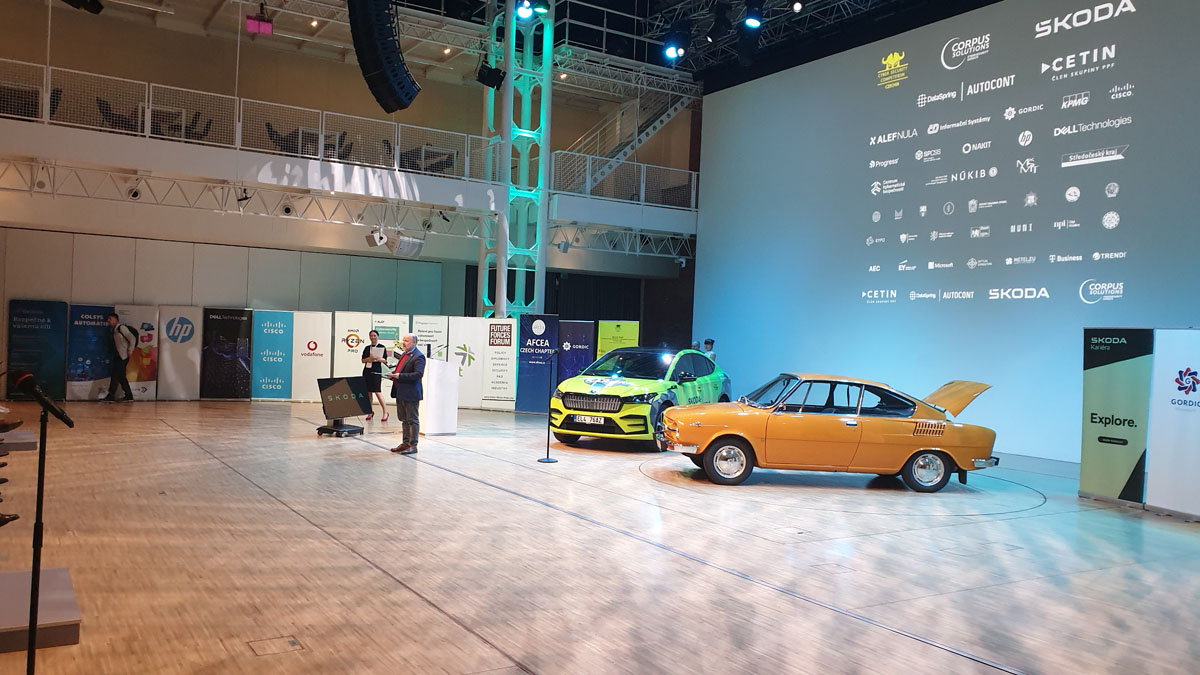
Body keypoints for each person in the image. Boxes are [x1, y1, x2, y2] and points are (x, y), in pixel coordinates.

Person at [385, 333, 425, 455]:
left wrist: (400, 376)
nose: (404, 343)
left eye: (407, 341)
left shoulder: (418, 356)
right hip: (401, 392)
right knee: (404, 419)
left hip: (411, 393)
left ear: (414, 342)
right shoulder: (404, 354)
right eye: (403, 340)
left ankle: (413, 445)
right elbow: (400, 370)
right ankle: (405, 443)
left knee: (412, 420)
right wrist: (393, 374)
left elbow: (418, 374)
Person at [104, 312, 135, 402]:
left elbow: (132, 338)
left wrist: (130, 350)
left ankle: (111, 396)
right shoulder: (114, 330)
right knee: (121, 376)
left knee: (115, 375)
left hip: (123, 356)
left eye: (110, 319)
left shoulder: (121, 328)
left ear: (116, 319)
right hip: (118, 356)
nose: (108, 321)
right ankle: (129, 396)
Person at [360, 330, 390, 422]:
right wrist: (369, 358)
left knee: (377, 391)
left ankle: (385, 412)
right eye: (371, 336)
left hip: (376, 372)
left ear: (377, 336)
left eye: (374, 335)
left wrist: (378, 358)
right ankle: (370, 411)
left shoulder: (382, 347)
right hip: (367, 371)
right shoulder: (367, 348)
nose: (373, 337)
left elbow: (385, 360)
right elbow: (363, 360)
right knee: (368, 392)